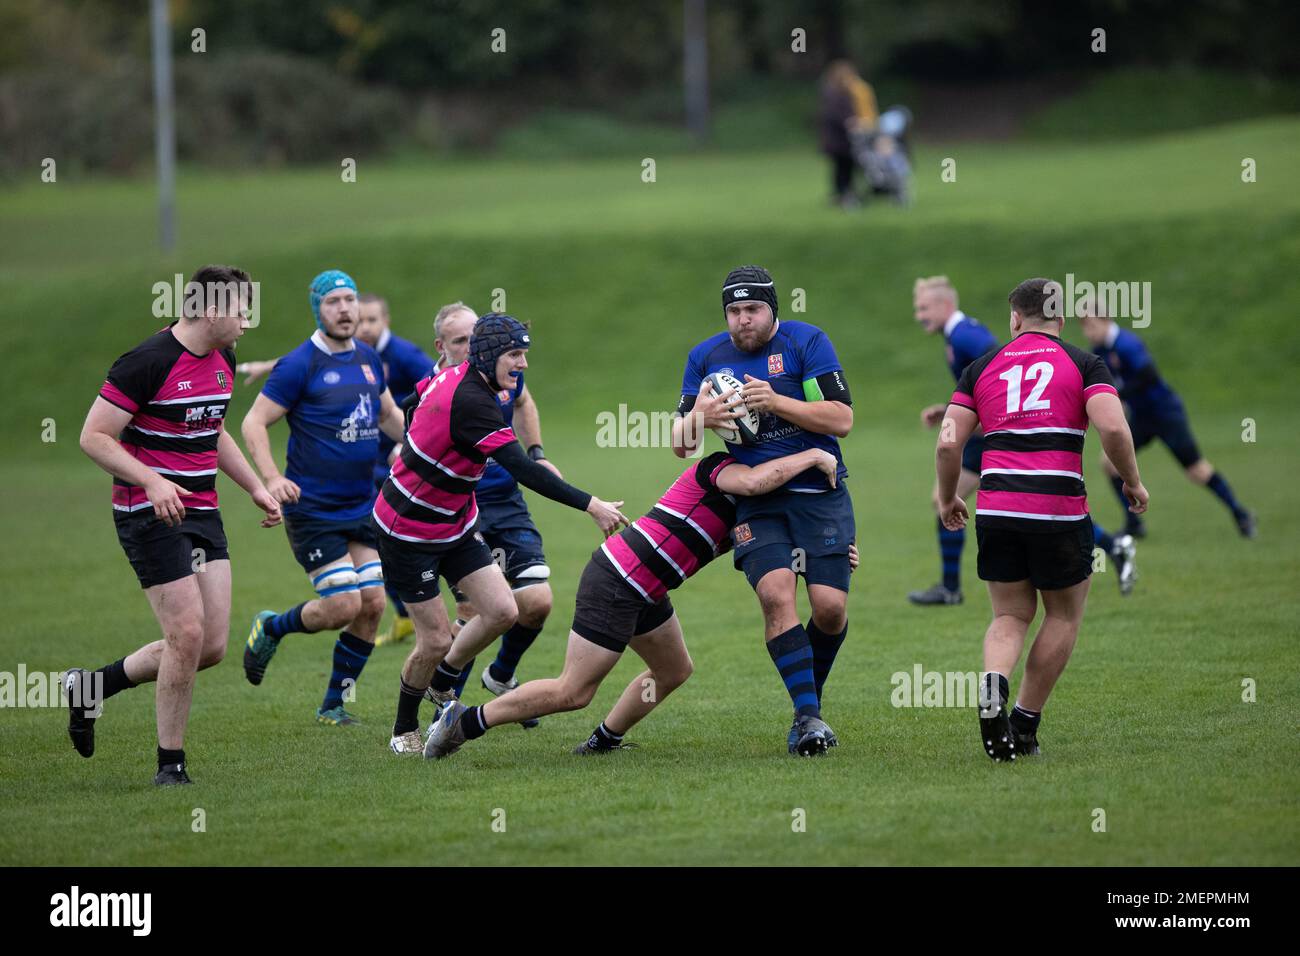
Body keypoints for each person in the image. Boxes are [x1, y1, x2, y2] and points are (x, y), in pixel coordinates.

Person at [425, 449, 854, 759]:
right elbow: (758, 479)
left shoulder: (758, 511)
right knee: (573, 691)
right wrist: (814, 454)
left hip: (645, 586)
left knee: (673, 671)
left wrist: (827, 557)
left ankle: (603, 741)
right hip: (618, 577)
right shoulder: (720, 467)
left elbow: (775, 548)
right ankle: (462, 722)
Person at [69, 265, 281, 786]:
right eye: (240, 311)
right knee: (185, 634)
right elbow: (94, 436)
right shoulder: (147, 361)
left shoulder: (223, 358)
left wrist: (254, 486)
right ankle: (171, 767)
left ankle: (91, 687)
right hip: (149, 513)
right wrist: (152, 481)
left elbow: (213, 427)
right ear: (210, 311)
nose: (246, 324)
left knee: (208, 647)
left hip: (202, 512)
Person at [380, 313, 629, 755]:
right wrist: (593, 505)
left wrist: (425, 445)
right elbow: (524, 472)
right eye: (516, 355)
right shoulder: (474, 402)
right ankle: (403, 728)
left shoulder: (460, 376)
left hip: (455, 524)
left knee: (502, 611)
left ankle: (443, 685)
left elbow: (410, 400)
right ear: (491, 355)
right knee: (435, 638)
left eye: (525, 354)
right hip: (408, 530)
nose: (524, 364)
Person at [936, 278, 1149, 761]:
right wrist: (1132, 482)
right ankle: (1025, 724)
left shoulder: (981, 367)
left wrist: (949, 498)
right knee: (1063, 615)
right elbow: (1113, 425)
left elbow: (949, 440)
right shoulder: (1083, 362)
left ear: (1014, 318)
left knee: (1009, 615)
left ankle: (993, 686)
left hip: (996, 510)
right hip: (1058, 510)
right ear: (1060, 318)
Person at [671, 265, 855, 756]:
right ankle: (810, 717)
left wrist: (777, 401)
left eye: (752, 309)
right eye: (733, 311)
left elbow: (842, 419)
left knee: (831, 610)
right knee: (777, 597)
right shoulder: (705, 357)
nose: (742, 320)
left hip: (820, 490)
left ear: (773, 309)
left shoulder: (806, 343)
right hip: (757, 500)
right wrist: (699, 417)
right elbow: (680, 446)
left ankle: (805, 707)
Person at [238, 269, 407, 725]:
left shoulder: (369, 358)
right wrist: (271, 478)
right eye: (334, 301)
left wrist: (416, 450)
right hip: (313, 510)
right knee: (343, 607)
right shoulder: (299, 364)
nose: (346, 309)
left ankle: (333, 704)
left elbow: (389, 413)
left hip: (362, 505)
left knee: (372, 604)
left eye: (351, 299)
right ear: (319, 309)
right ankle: (272, 626)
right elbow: (252, 423)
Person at [413, 302, 563, 729]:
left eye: (474, 337)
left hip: (507, 501)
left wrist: (537, 453)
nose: (470, 346)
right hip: (461, 510)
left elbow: (524, 403)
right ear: (442, 347)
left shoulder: (506, 372)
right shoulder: (436, 388)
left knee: (537, 601)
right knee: (475, 615)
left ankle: (500, 675)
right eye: (460, 340)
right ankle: (446, 710)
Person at [1079, 304, 1254, 539]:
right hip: (1141, 417)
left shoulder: (1127, 343)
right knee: (1109, 464)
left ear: (1106, 320)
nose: (1087, 332)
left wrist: (1118, 394)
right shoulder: (1100, 349)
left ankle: (1240, 513)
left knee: (1196, 470)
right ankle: (1134, 525)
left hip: (1165, 414)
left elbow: (1148, 375)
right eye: (1083, 327)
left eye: (1091, 325)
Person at [909, 276, 998, 605]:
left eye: (924, 308)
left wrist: (988, 418)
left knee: (1036, 500)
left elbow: (999, 362)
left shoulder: (965, 334)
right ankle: (950, 588)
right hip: (980, 432)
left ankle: (951, 588)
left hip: (992, 433)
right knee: (943, 500)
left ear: (946, 306)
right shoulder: (955, 335)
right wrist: (949, 410)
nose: (919, 315)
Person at [818, 60, 878, 209]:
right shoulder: (835, 94)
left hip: (840, 140)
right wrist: (851, 121)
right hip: (839, 141)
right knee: (843, 168)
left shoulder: (839, 93)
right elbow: (837, 115)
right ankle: (844, 194)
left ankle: (844, 194)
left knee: (843, 168)